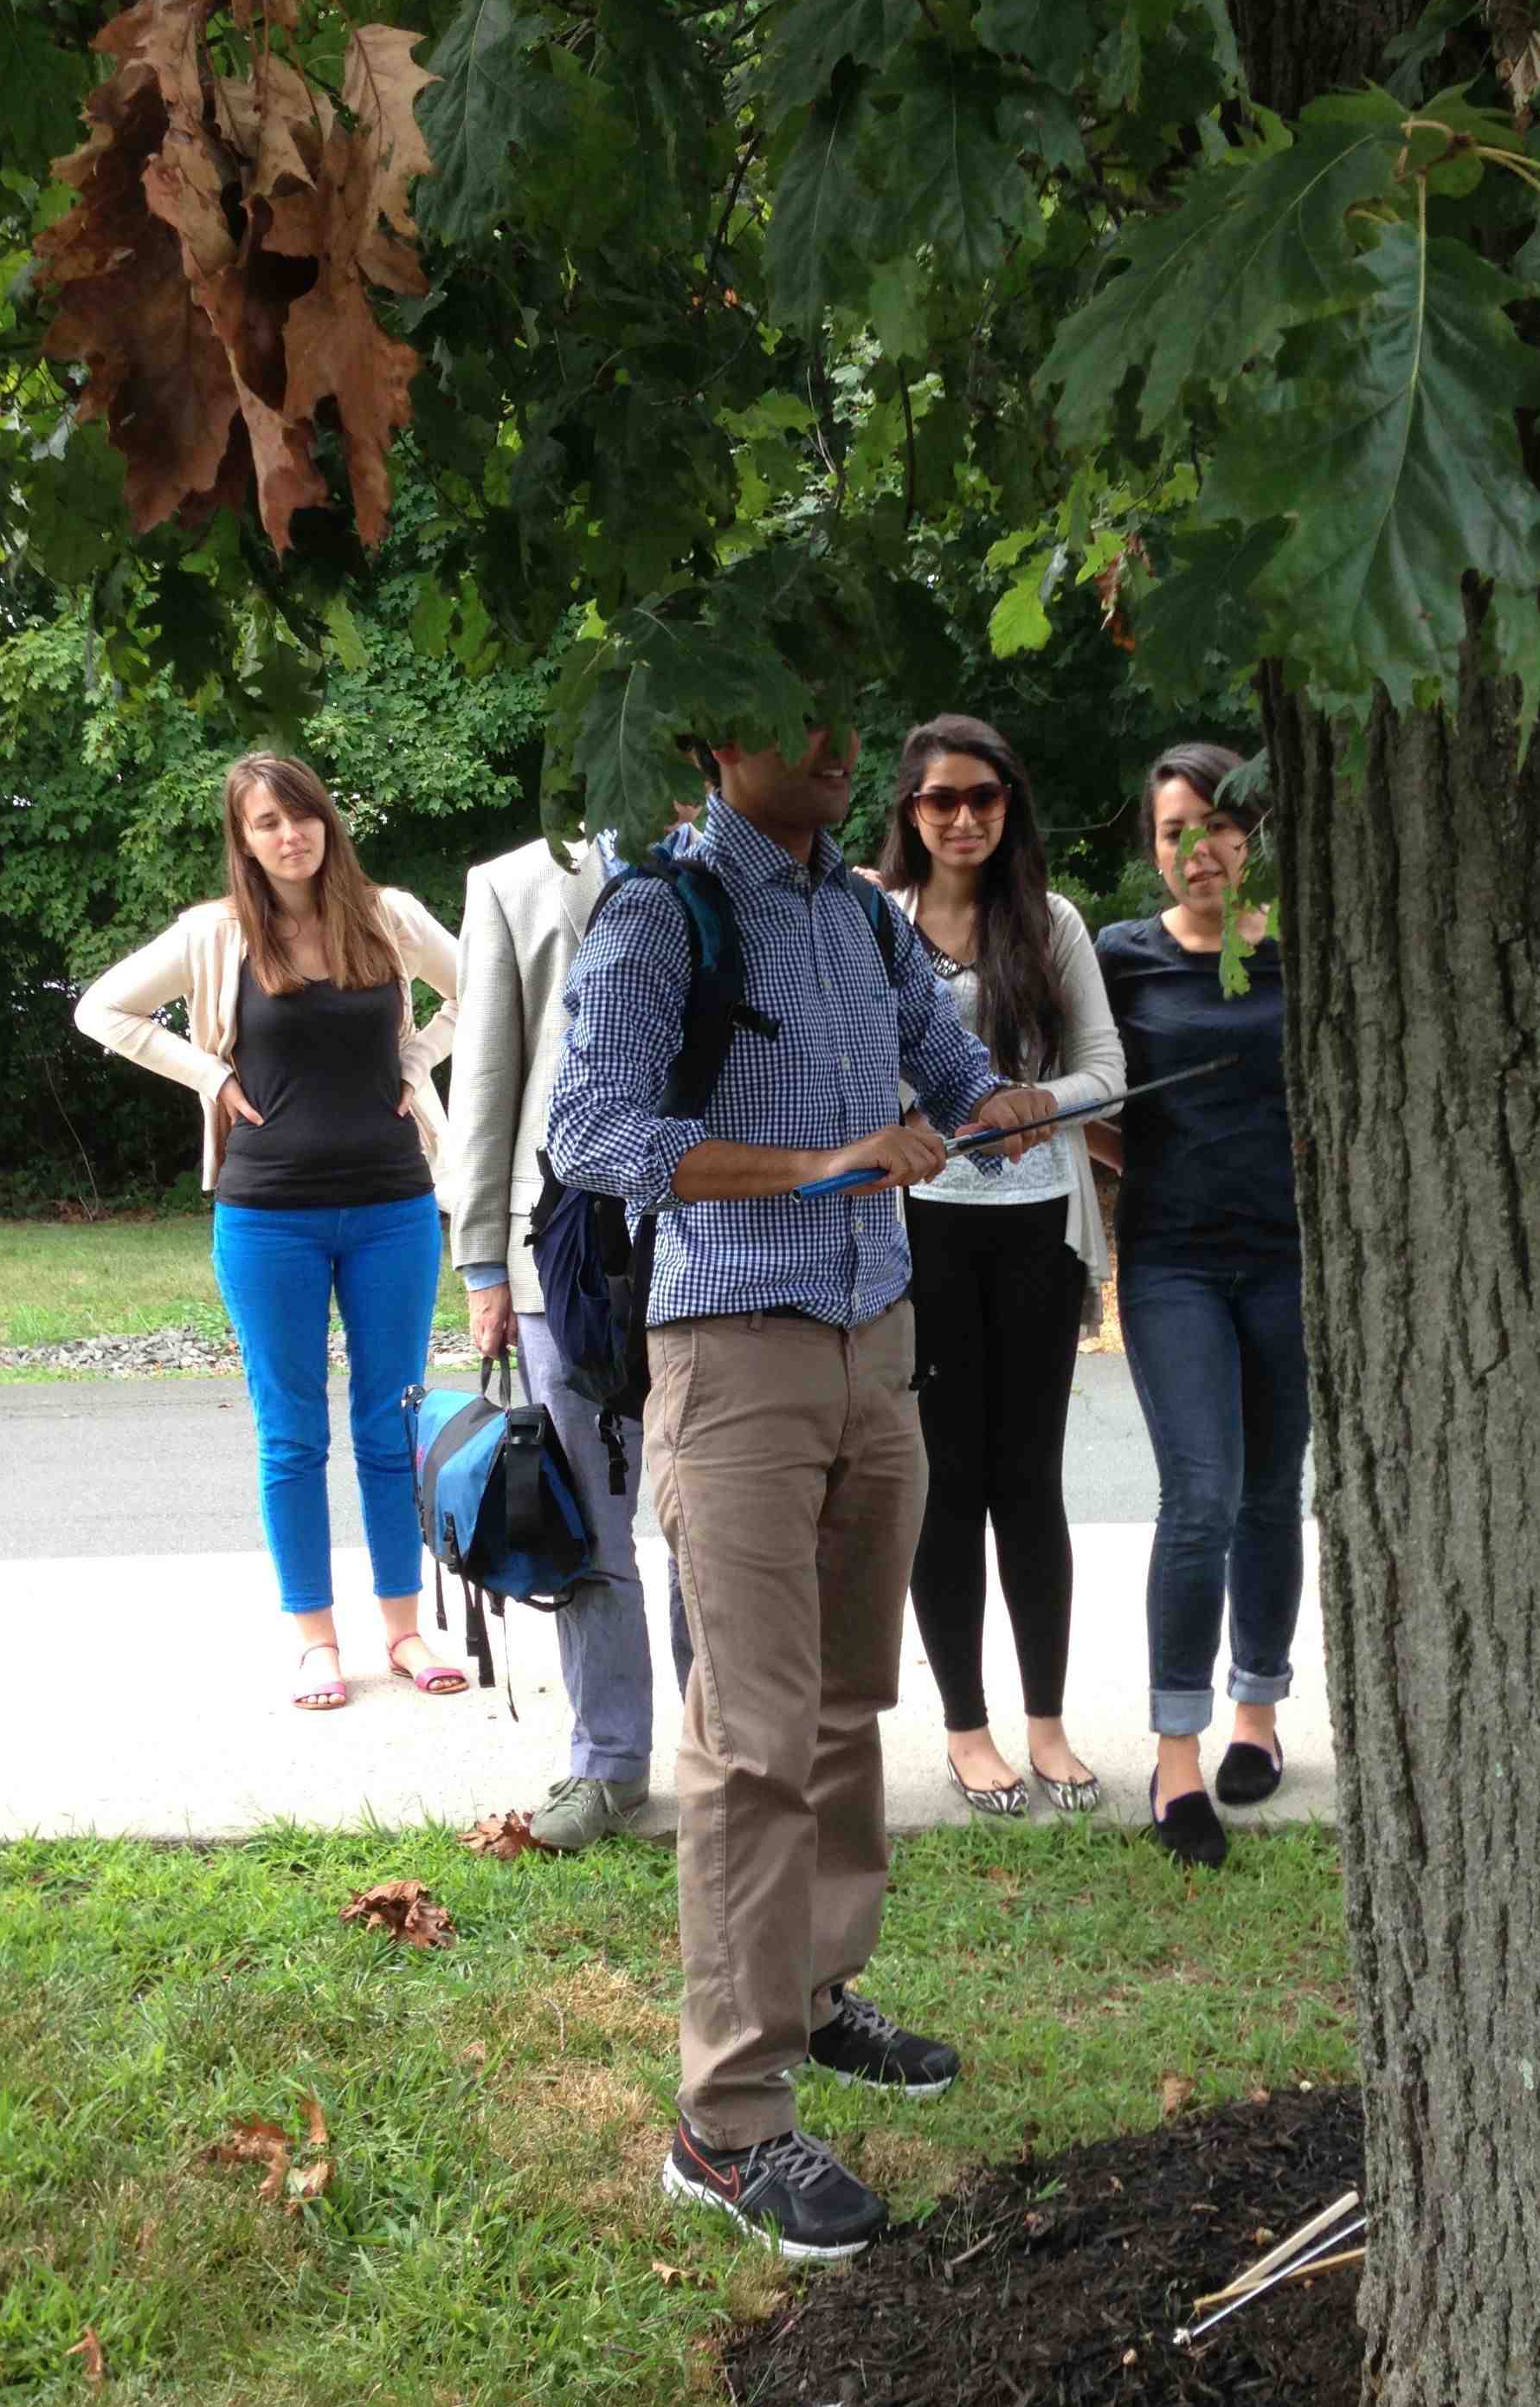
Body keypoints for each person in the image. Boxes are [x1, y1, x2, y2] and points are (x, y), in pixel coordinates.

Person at [545, 715, 1056, 2260]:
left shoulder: (859, 914)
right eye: (795, 715)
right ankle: (725, 2123)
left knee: (843, 1705)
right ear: (714, 741)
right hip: (732, 1353)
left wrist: (993, 1106)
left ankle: (817, 1992)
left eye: (845, 712)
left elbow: (946, 1067)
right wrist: (821, 1163)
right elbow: (591, 1133)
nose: (837, 743)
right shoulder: (663, 910)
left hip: (872, 1344)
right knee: (753, 1735)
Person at [75, 752, 461, 1710]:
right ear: (244, 840)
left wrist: (418, 1059)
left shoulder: (390, 917)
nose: (291, 835)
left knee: (390, 1426)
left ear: (327, 821)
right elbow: (102, 1009)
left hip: (393, 1206)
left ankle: (404, 1630)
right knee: (291, 1435)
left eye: (302, 815)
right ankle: (315, 1641)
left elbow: (485, 988)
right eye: (267, 822)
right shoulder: (215, 934)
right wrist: (210, 1075)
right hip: (267, 1214)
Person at [876, 715, 1124, 1816]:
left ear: (1009, 805)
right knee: (946, 1480)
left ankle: (1049, 1725)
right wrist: (906, 1118)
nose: (964, 817)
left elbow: (1106, 1070)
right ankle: (966, 1728)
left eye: (984, 796)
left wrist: (1036, 1101)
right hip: (921, 1232)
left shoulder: (1052, 921)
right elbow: (851, 1068)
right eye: (942, 800)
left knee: (1030, 1480)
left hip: (1038, 1232)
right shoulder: (876, 924)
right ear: (911, 811)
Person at [446, 804, 698, 1849]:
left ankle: (730, 1758)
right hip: (559, 1255)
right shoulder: (512, 885)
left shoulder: (748, 871)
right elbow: (485, 1074)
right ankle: (609, 1767)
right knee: (590, 1526)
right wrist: (482, 1261)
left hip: (715, 1243)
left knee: (713, 1525)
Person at [1091, 743, 1307, 1870]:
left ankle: (1256, 1714)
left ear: (1253, 835)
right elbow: (1084, 1091)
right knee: (1202, 1494)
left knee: (1272, 1493)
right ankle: (1176, 1757)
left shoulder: (1300, 950)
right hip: (1171, 1263)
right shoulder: (1121, 957)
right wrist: (1151, 1162)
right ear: (1153, 846)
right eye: (1176, 831)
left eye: (1219, 825)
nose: (1200, 849)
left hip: (1290, 1262)